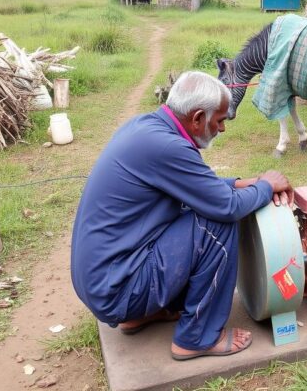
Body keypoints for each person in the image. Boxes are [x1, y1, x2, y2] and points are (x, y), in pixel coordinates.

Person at [71, 71, 294, 360]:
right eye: (220, 120)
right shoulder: (169, 147)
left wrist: (241, 183)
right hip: (118, 290)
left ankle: (141, 314)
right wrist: (266, 185)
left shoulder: (146, 128)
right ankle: (197, 338)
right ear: (198, 117)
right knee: (217, 222)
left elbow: (193, 186)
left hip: (104, 283)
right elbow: (225, 206)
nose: (222, 129)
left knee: (203, 207)